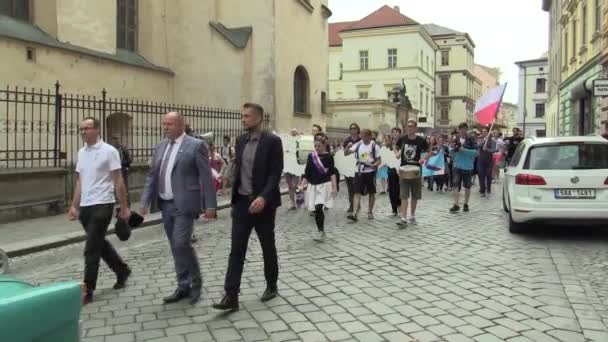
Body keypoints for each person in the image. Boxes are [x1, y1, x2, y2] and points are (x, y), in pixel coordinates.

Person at [140, 112, 217, 305]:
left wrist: (210, 206)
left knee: (181, 243)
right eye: (164, 124)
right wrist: (144, 203)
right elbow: (152, 176)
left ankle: (196, 281)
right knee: (175, 246)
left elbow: (206, 177)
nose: (165, 127)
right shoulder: (160, 146)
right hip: (165, 204)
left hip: (185, 204)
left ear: (181, 125)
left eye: (169, 124)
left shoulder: (196, 145)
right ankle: (183, 285)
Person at [213, 103, 283, 312]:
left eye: (247, 116)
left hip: (263, 204)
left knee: (267, 246)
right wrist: (229, 184)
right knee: (237, 250)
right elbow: (239, 167)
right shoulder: (240, 140)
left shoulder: (272, 141)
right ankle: (231, 295)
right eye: (242, 116)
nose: (243, 119)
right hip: (242, 203)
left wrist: (263, 197)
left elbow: (275, 173)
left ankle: (271, 284)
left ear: (259, 119)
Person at [67, 117, 132, 304]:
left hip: (103, 204)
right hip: (86, 206)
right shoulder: (81, 153)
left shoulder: (109, 151)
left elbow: (118, 180)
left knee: (91, 249)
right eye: (81, 129)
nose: (83, 132)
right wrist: (74, 205)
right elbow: (80, 181)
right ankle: (122, 270)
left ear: (97, 130)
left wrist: (124, 206)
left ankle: (88, 289)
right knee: (98, 243)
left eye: (87, 128)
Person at [300, 133, 337, 241]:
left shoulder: (329, 157)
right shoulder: (311, 156)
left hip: (324, 185)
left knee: (318, 208)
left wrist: (334, 188)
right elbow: (307, 172)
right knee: (316, 209)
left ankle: (320, 232)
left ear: (324, 145)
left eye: (319, 146)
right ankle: (321, 230)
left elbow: (332, 173)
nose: (316, 148)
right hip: (313, 186)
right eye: (315, 146)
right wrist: (302, 185)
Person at [396, 120, 430, 227]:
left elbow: (430, 151)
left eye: (411, 126)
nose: (409, 128)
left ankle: (412, 215)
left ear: (415, 128)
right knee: (404, 195)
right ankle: (403, 217)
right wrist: (397, 153)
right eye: (408, 126)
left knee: (415, 195)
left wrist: (423, 159)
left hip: (416, 170)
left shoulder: (421, 140)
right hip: (404, 169)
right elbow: (395, 147)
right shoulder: (403, 139)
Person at [345, 129, 381, 222]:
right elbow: (346, 153)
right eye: (362, 135)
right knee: (356, 192)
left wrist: (375, 165)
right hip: (359, 171)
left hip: (370, 172)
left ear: (370, 136)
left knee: (371, 192)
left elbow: (379, 160)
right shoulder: (358, 144)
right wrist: (347, 147)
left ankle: (370, 212)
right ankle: (354, 214)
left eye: (364, 136)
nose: (362, 137)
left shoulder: (374, 146)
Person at [450, 123, 479, 213]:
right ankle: (456, 204)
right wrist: (452, 152)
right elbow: (451, 152)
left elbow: (476, 153)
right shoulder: (455, 139)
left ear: (466, 130)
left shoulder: (471, 139)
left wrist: (464, 150)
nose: (462, 131)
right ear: (458, 130)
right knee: (455, 185)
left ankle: (466, 204)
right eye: (460, 129)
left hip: (467, 166)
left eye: (464, 129)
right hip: (457, 166)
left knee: (467, 186)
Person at [342, 123, 361, 213]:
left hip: (358, 165)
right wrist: (347, 146)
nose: (353, 130)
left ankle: (357, 203)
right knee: (350, 187)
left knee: (357, 186)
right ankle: (351, 205)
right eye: (351, 128)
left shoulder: (361, 140)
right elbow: (344, 153)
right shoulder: (347, 140)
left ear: (358, 130)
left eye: (354, 128)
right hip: (348, 166)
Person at [109, 135, 132, 201]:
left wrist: (126, 166)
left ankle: (126, 200)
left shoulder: (123, 149)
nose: (115, 142)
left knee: (124, 185)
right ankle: (117, 199)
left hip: (122, 169)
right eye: (113, 140)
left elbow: (129, 159)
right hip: (113, 170)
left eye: (116, 140)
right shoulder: (110, 150)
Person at [477, 128, 497, 197]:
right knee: (481, 176)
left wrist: (487, 149)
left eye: (485, 131)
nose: (483, 133)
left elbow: (494, 150)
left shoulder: (492, 141)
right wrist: (483, 142)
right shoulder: (480, 140)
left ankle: (488, 189)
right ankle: (482, 191)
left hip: (489, 161)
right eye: (482, 132)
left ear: (488, 132)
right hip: (480, 160)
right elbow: (477, 146)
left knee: (488, 175)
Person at [285, 129, 301, 210]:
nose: (294, 133)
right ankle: (292, 202)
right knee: (290, 185)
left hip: (296, 166)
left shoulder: (299, 142)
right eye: (292, 132)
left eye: (295, 132)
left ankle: (296, 197)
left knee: (294, 185)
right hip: (287, 166)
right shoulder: (286, 143)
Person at [387, 127, 402, 215]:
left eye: (396, 132)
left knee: (399, 188)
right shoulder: (389, 144)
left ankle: (399, 204)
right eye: (393, 132)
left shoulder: (402, 143)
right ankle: (394, 208)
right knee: (392, 188)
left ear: (400, 133)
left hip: (400, 168)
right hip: (391, 168)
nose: (394, 134)